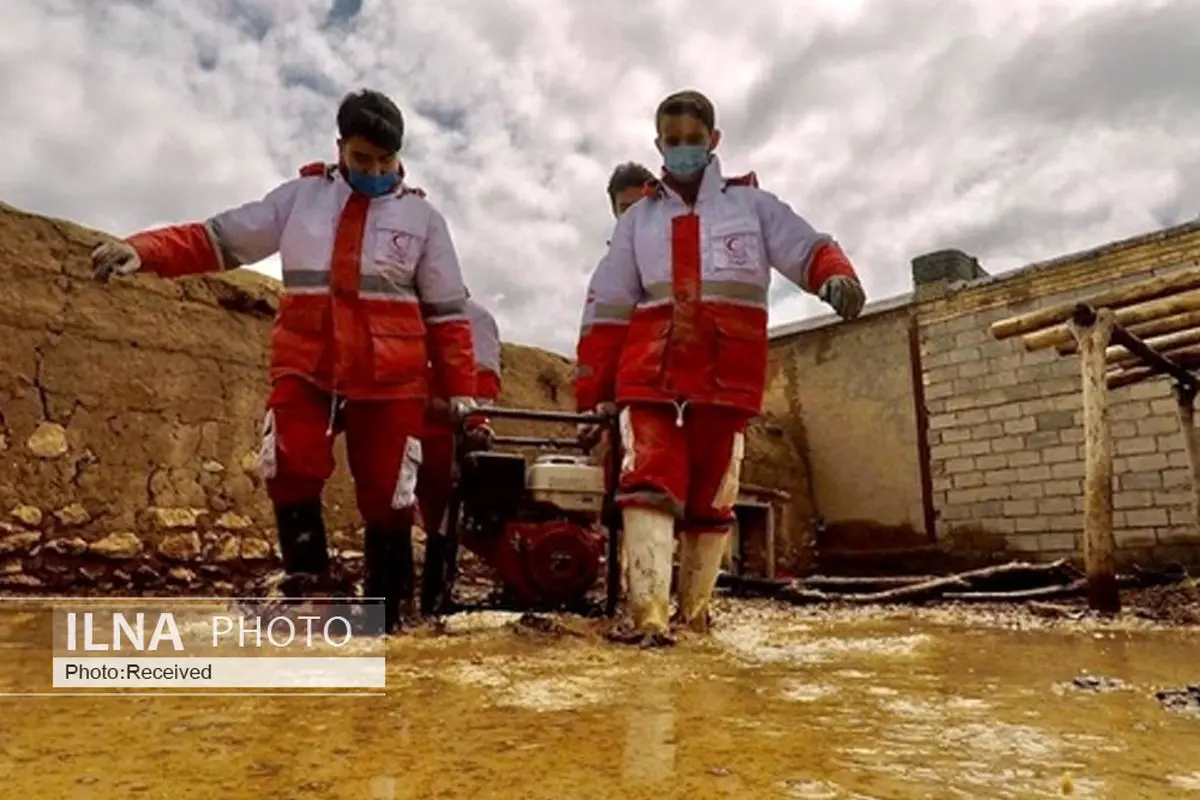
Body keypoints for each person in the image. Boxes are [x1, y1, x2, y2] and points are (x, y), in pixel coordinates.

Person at [89, 88, 479, 634]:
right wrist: (146, 250)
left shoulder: (424, 220)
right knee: (288, 465)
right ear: (341, 148)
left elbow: (447, 313)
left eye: (384, 161)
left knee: (390, 493)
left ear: (399, 156)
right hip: (308, 365)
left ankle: (392, 620)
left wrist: (462, 388)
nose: (373, 170)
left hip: (389, 379)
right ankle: (310, 597)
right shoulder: (300, 199)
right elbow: (220, 239)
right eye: (362, 159)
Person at [574, 90, 866, 646]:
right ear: (658, 144)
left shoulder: (754, 208)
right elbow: (606, 309)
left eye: (692, 139)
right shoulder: (638, 222)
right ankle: (650, 619)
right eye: (672, 140)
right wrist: (594, 393)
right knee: (647, 486)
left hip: (724, 383)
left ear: (714, 140)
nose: (683, 149)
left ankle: (696, 616)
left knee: (713, 500)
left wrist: (834, 275)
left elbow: (807, 245)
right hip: (650, 379)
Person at [415, 294, 502, 615]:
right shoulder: (405, 310)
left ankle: (433, 601)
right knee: (392, 510)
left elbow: (483, 386)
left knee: (443, 518)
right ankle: (396, 604)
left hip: (443, 432)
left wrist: (477, 424)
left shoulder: (475, 320)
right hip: (402, 427)